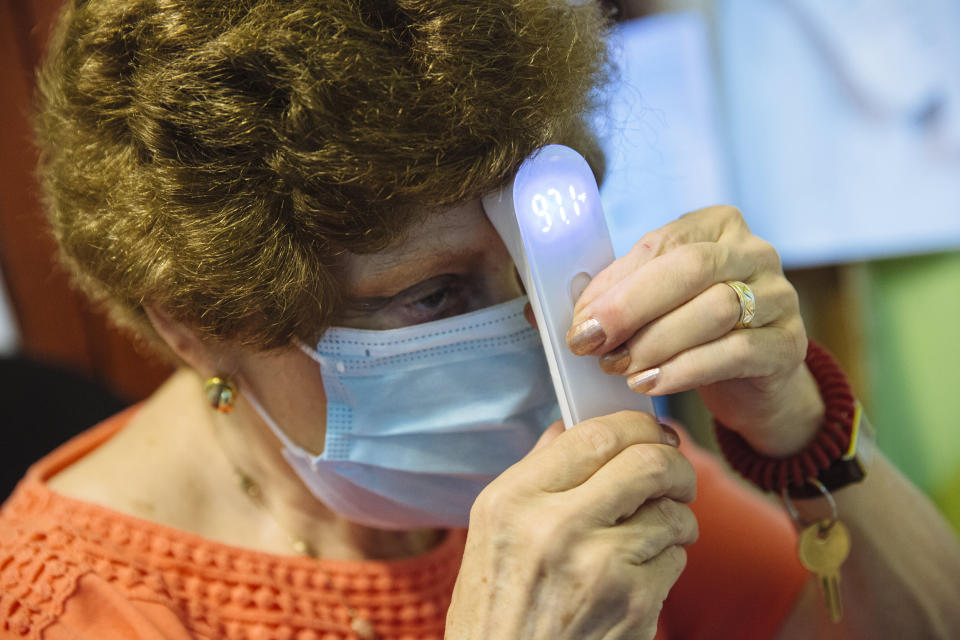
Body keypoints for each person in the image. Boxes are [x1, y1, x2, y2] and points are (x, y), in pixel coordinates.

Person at [1, 1, 958, 638]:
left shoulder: (556, 472)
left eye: (532, 271)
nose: (545, 344)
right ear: (196, 324)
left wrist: (798, 425)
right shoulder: (68, 608)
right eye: (437, 295)